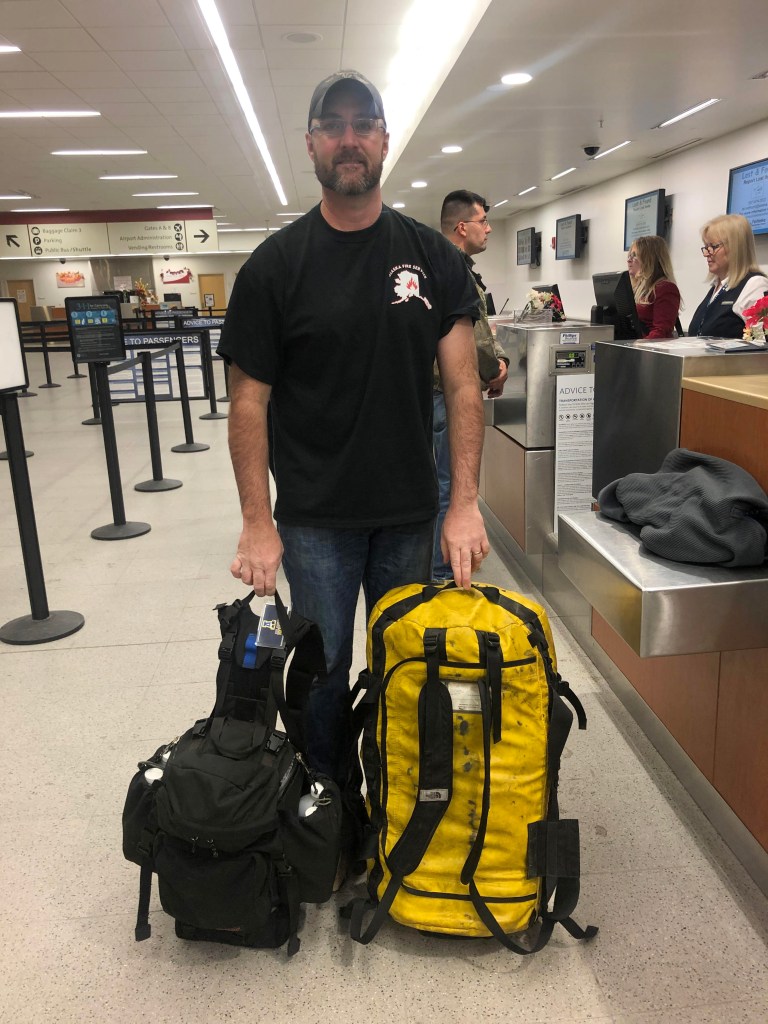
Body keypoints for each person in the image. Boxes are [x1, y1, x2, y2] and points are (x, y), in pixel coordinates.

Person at [217, 70, 489, 785]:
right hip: (315, 522)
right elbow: (246, 404)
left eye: (362, 124)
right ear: (310, 142)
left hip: (410, 515)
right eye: (331, 125)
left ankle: (402, 822)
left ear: (383, 142)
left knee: (409, 669)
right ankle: (330, 817)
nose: (348, 139)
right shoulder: (274, 268)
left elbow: (464, 387)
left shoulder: (432, 257)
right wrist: (256, 522)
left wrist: (464, 504)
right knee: (325, 677)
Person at [432, 190, 509, 580]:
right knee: (449, 486)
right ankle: (443, 573)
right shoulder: (453, 269)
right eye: (483, 221)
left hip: (437, 393)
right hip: (446, 396)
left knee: (442, 484)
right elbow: (474, 337)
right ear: (463, 227)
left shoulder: (437, 264)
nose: (489, 228)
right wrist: (495, 367)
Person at [688, 213, 768, 338]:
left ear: (735, 247)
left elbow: (761, 341)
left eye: (713, 247)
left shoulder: (754, 285)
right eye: (706, 247)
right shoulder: (717, 287)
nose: (706, 254)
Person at [626, 235, 681, 339]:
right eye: (629, 256)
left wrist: (635, 348)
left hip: (648, 351)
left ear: (649, 259)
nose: (629, 260)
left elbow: (661, 332)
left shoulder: (665, 288)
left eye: (634, 256)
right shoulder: (634, 289)